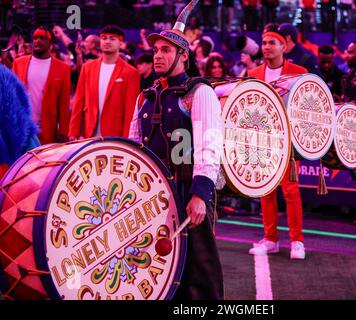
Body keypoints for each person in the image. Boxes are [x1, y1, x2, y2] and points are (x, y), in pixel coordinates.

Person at [128, 7, 224, 299]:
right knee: (156, 272)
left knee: (199, 276)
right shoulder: (146, 95)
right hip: (152, 197)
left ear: (184, 56)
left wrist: (199, 195)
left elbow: (210, 146)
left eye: (166, 50)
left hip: (186, 192)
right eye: (155, 50)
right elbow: (134, 146)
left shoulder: (198, 92)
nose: (157, 55)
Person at [247, 24, 307, 260]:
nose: (267, 47)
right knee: (266, 192)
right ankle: (271, 239)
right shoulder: (253, 74)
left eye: (272, 43)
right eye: (264, 43)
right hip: (263, 141)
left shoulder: (299, 71)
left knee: (291, 191)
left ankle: (297, 241)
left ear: (284, 46)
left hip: (289, 141)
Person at [68, 25, 140, 140]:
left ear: (120, 43)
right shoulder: (87, 68)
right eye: (104, 38)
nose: (107, 41)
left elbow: (130, 111)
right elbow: (79, 101)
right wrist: (73, 132)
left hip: (116, 136)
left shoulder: (131, 73)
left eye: (112, 39)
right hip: (89, 134)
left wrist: (127, 139)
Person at [12, 26, 71, 145]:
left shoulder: (63, 68)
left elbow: (64, 103)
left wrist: (64, 133)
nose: (37, 41)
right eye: (35, 38)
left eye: (42, 38)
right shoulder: (19, 63)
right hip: (22, 128)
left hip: (48, 130)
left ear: (51, 43)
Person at [0, 64, 39, 180]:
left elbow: (20, 126)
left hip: (9, 167)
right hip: (11, 168)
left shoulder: (4, 78)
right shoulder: (5, 76)